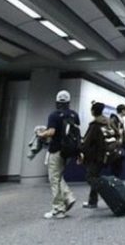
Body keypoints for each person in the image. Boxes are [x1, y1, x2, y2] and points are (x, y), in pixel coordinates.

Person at [35, 90, 80, 219]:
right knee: (58, 176)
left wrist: (40, 134)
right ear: (68, 102)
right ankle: (68, 197)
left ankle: (58, 209)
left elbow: (51, 132)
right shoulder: (74, 114)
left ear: (57, 102)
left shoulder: (54, 115)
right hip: (70, 151)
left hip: (57, 150)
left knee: (54, 179)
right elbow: (76, 133)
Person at [79, 101, 110, 209]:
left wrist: (80, 150)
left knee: (90, 177)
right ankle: (93, 202)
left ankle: (107, 190)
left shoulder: (95, 125)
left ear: (93, 111)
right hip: (105, 155)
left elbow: (87, 142)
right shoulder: (106, 123)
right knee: (94, 176)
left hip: (95, 156)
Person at [107, 104, 125, 177]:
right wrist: (117, 133)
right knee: (115, 163)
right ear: (122, 110)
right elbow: (112, 127)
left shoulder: (120, 120)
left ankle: (116, 178)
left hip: (120, 144)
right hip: (116, 144)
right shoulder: (115, 118)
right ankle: (115, 179)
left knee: (119, 163)